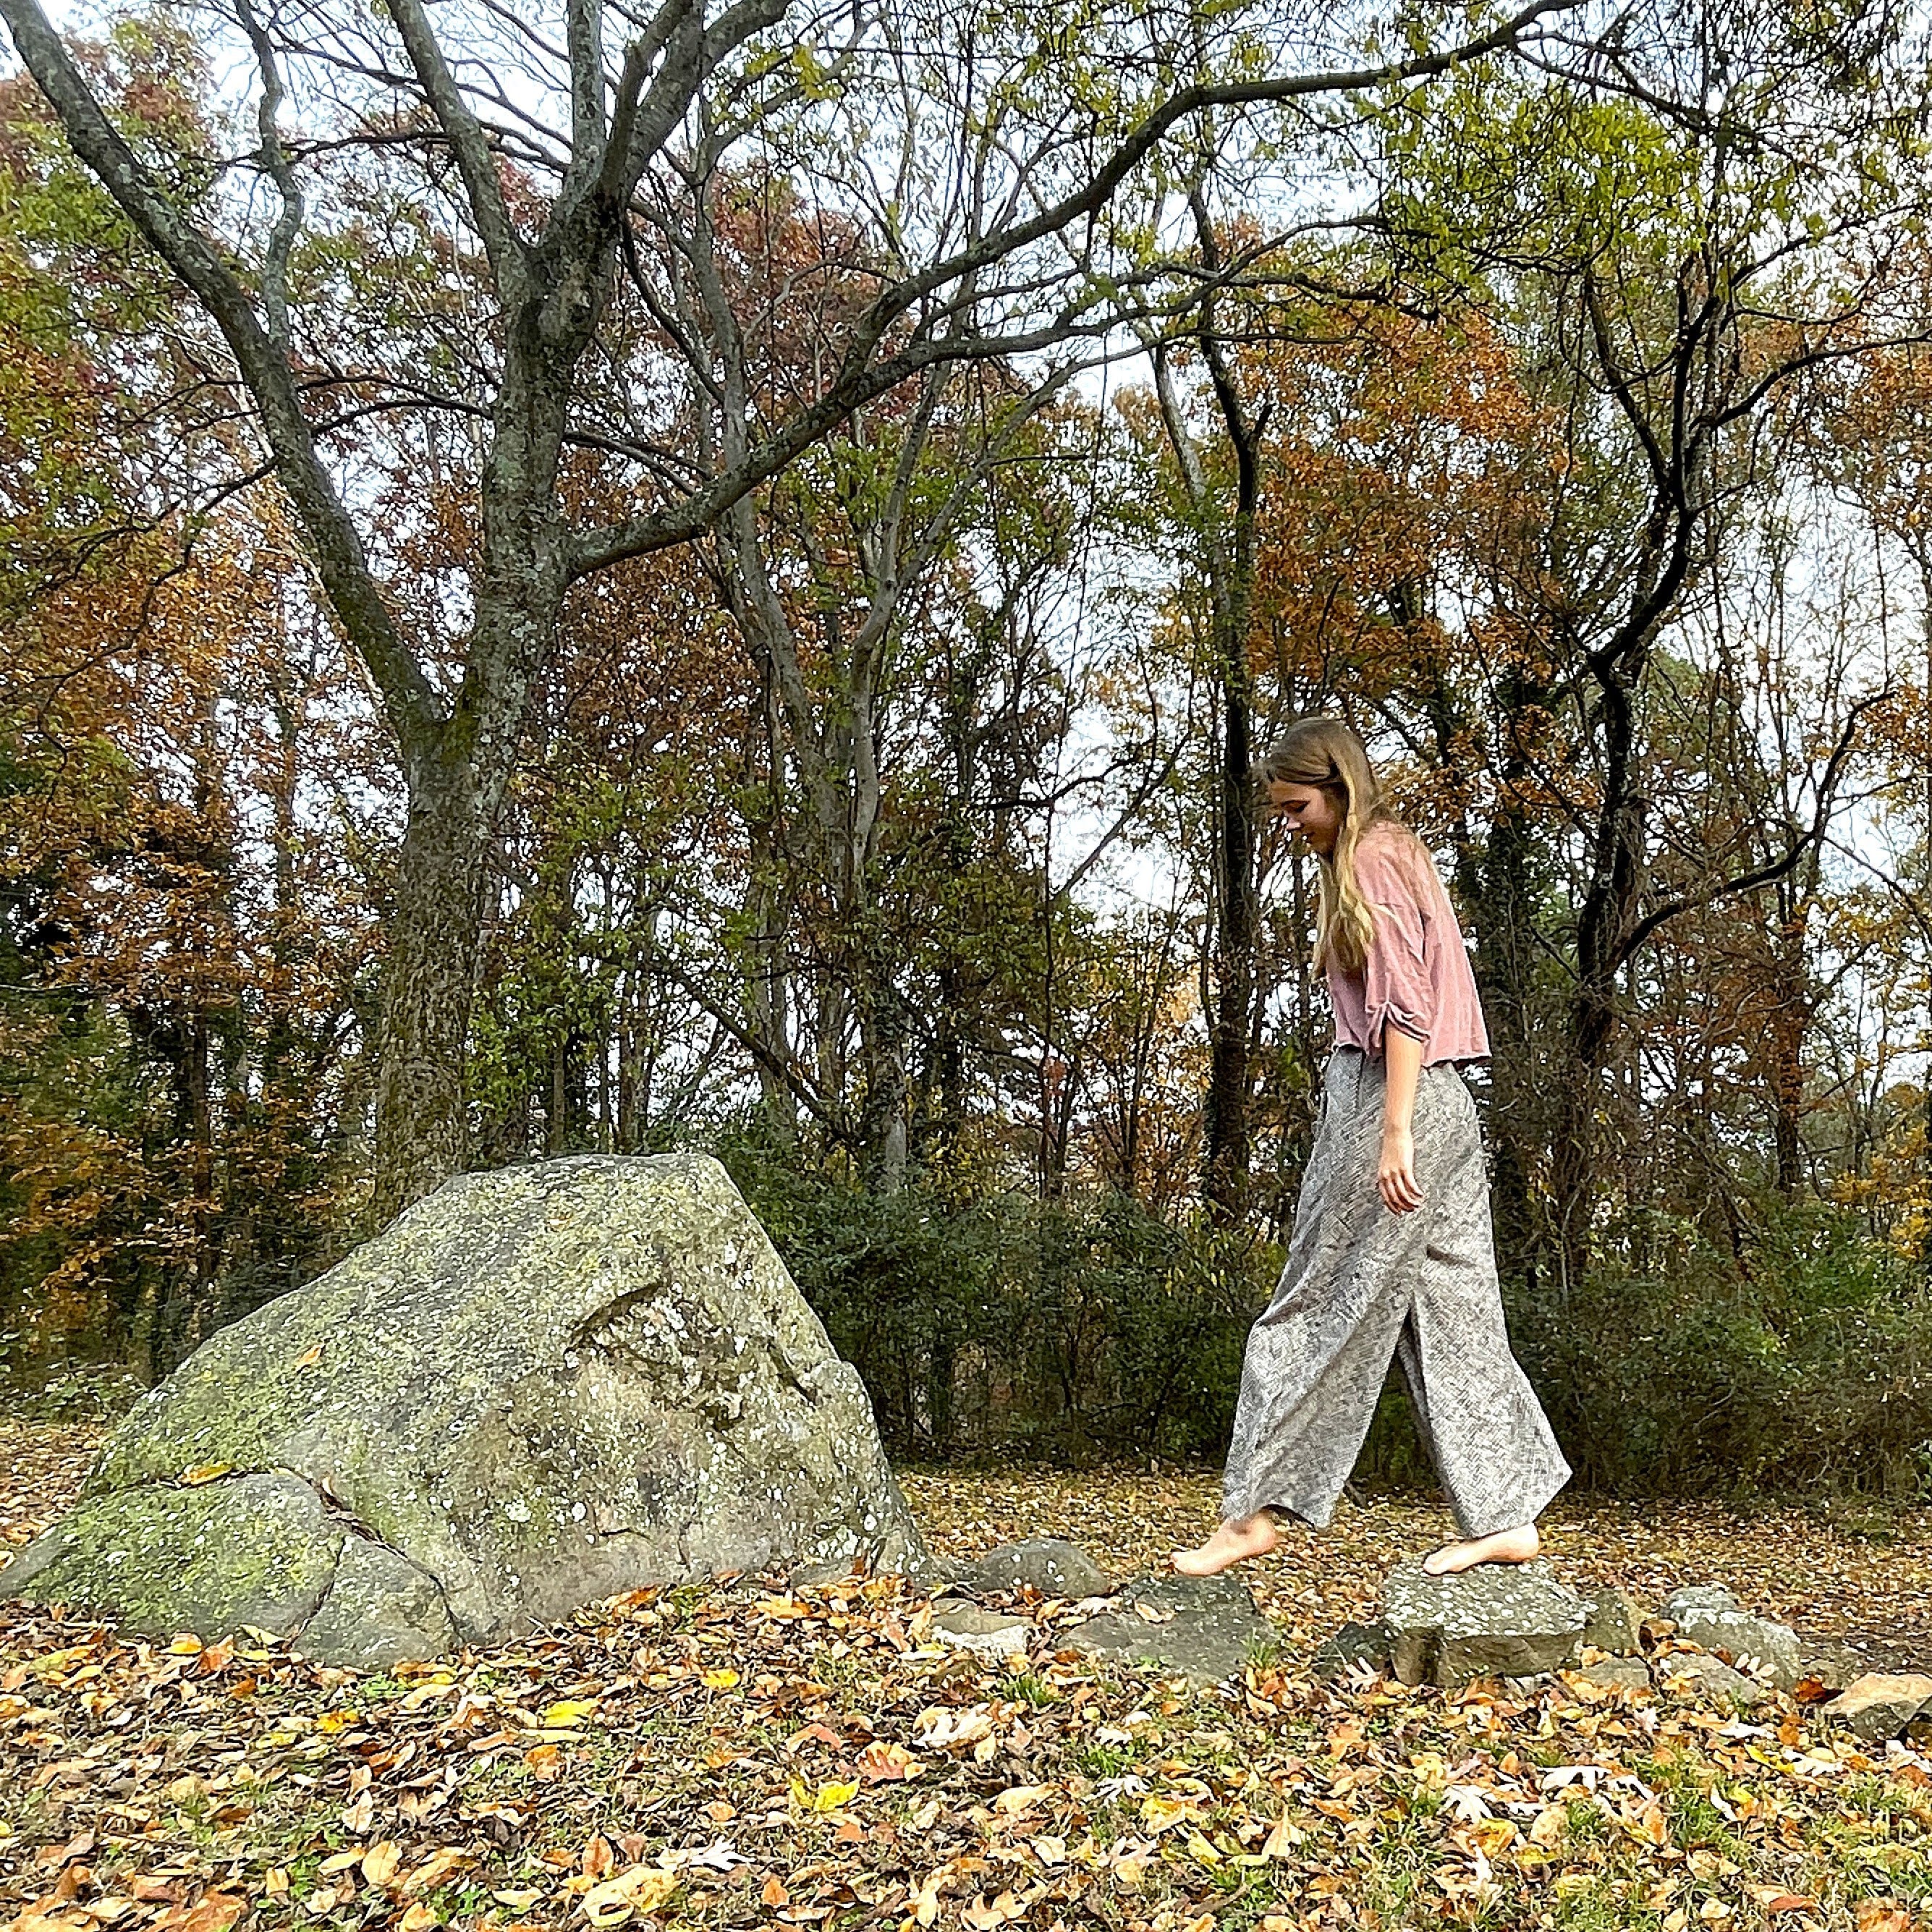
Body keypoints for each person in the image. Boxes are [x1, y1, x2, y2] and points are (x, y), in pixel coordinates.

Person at [1173, 717, 1570, 1580]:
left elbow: (1407, 1007)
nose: (1290, 825)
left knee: (1312, 1302)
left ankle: (1249, 1512)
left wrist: (1393, 1132)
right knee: (1456, 1313)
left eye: (1297, 807)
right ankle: (1505, 1516)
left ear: (1338, 789)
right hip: (1447, 1104)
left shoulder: (1370, 861)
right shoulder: (1400, 851)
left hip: (1394, 1099)